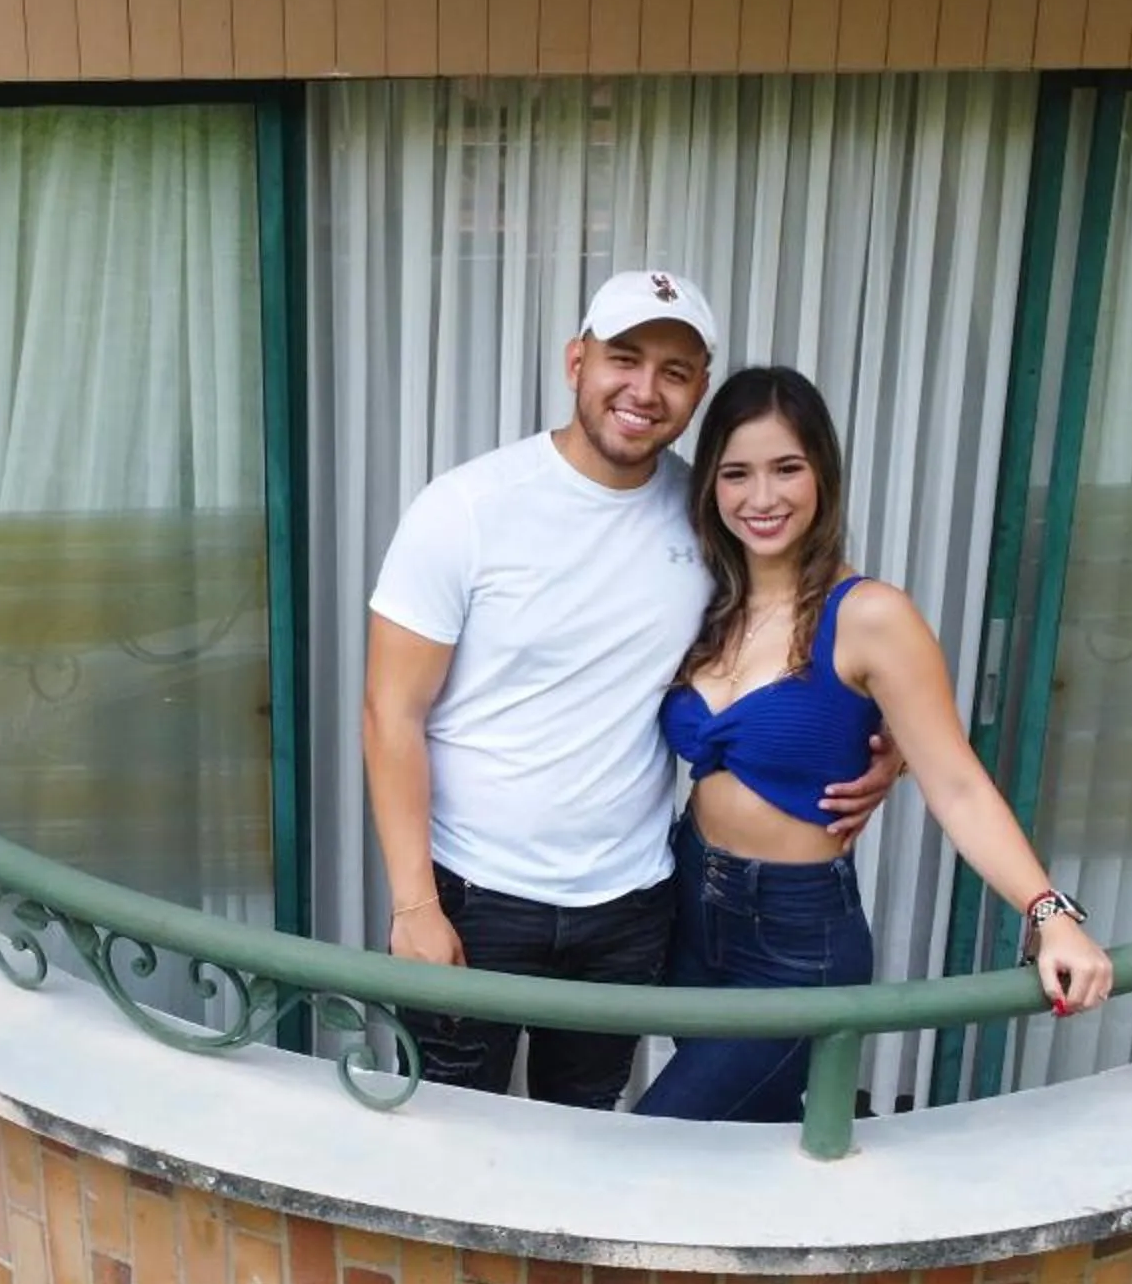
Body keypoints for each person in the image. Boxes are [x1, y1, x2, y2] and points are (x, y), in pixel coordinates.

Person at [362, 272, 896, 1108]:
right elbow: (390, 713)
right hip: (474, 896)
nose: (645, 390)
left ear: (699, 392)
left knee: (588, 1145)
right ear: (577, 361)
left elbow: (807, 628)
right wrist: (412, 905)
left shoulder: (710, 515)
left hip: (633, 903)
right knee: (446, 1134)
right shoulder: (467, 508)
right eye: (625, 358)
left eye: (675, 371)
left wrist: (884, 736)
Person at [635, 365, 1113, 1123]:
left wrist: (1048, 911)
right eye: (737, 474)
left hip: (794, 943)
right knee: (741, 1145)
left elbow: (955, 782)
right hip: (690, 908)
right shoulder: (706, 601)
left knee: (656, 1139)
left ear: (823, 472)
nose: (762, 499)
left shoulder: (871, 616)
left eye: (787, 469)